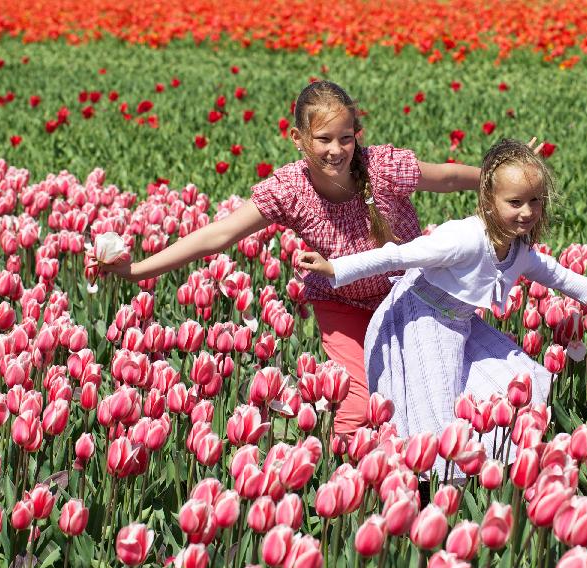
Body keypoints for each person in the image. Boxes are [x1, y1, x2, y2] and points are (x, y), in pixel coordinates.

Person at [102, 80, 482, 438]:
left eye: (346, 138)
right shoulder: (290, 190)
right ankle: (353, 489)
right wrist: (137, 271)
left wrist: (502, 178)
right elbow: (218, 235)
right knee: (356, 407)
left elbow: (446, 178)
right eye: (324, 139)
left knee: (429, 395)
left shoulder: (382, 168)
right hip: (342, 304)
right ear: (298, 139)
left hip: (409, 298)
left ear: (357, 136)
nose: (336, 150)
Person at [297, 138, 587, 473]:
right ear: (489, 200)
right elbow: (397, 254)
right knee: (436, 411)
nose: (527, 212)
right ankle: (431, 482)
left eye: (535, 201)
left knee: (518, 379)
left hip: (460, 324)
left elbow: (547, 270)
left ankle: (491, 465)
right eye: (515, 202)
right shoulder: (463, 238)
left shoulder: (517, 247)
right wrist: (336, 268)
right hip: (419, 321)